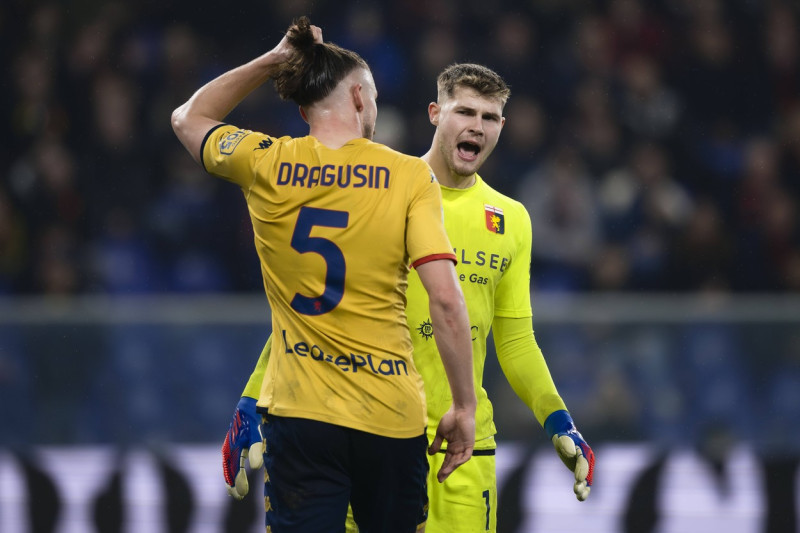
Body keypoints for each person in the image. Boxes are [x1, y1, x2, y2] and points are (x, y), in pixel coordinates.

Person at [224, 63, 595, 531]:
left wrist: (559, 419)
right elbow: (316, 309)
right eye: (465, 112)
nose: (476, 127)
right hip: (379, 437)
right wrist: (252, 399)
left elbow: (516, 341)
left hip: (468, 448)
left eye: (490, 117)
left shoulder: (512, 218)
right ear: (436, 113)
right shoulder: (386, 187)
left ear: (502, 126)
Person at [172, 17, 477, 532]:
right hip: (391, 415)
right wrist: (464, 405)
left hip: (301, 417)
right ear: (359, 97)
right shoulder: (409, 176)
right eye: (374, 98)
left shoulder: (265, 162)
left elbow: (188, 118)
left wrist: (272, 60)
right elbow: (446, 300)